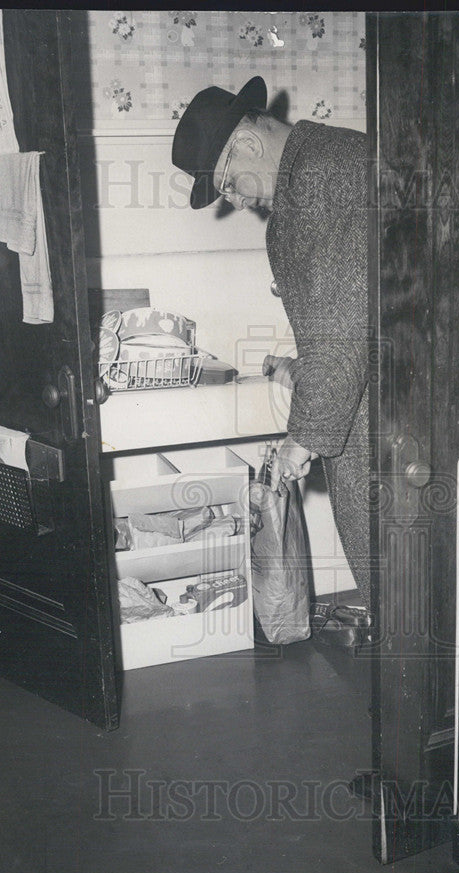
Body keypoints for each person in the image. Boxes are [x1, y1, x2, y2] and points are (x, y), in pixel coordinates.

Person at [172, 77, 370, 610]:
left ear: (250, 143)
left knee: (399, 581)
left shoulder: (325, 176)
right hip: (368, 407)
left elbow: (342, 332)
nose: (236, 200)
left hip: (389, 418)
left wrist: (300, 439)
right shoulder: (311, 176)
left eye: (230, 183)